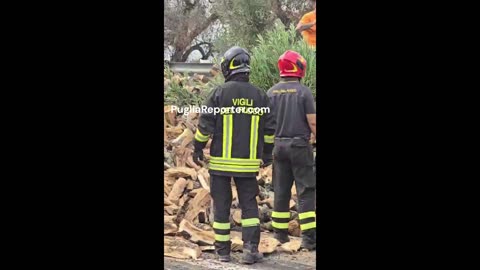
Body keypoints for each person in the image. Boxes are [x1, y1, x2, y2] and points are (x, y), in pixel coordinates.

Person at [193, 46, 276, 264]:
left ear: (229, 66)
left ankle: (223, 253)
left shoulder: (219, 93)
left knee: (221, 206)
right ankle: (250, 250)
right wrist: (267, 155)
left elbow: (205, 127)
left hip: (220, 165)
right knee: (249, 207)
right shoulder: (259, 96)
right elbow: (269, 131)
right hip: (247, 166)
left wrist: (197, 147)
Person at [267, 50, 317, 250]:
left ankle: (280, 235)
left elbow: (266, 123)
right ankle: (309, 239)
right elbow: (312, 121)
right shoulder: (303, 92)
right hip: (299, 146)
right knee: (305, 191)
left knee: (281, 190)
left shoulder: (271, 92)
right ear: (298, 67)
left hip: (278, 146)